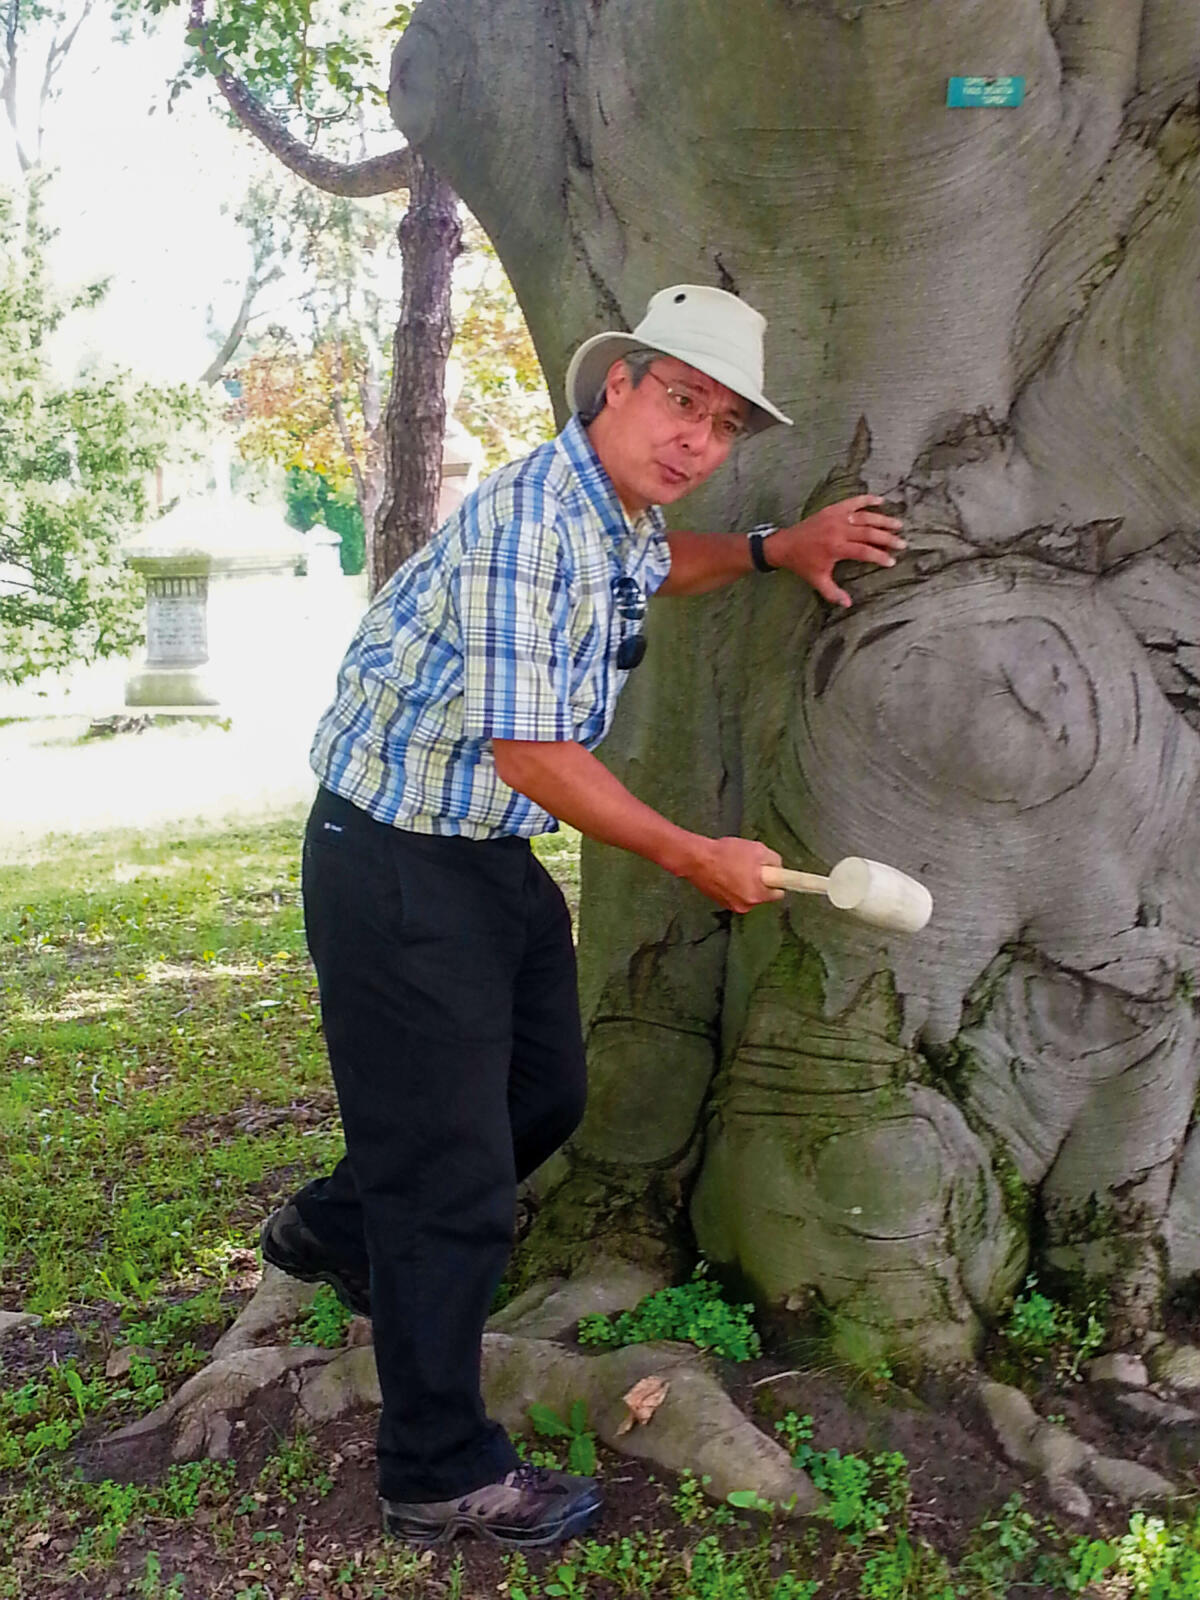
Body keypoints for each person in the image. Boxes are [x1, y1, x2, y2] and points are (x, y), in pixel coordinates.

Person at [260, 285, 905, 1548]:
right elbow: (529, 750)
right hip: (392, 858)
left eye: (721, 425)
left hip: (482, 862)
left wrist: (775, 548)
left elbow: (661, 565)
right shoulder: (525, 521)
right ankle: (438, 1466)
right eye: (679, 399)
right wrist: (689, 852)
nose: (695, 440)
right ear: (617, 386)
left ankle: (332, 1222)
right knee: (454, 1183)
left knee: (545, 1097)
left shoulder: (612, 516)